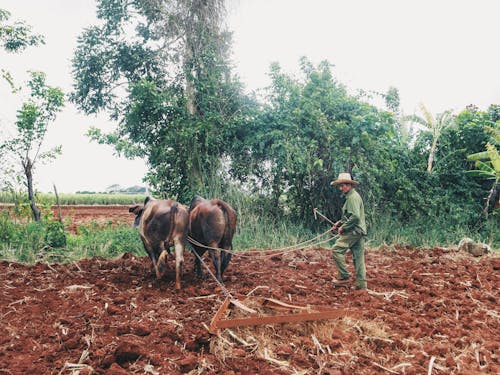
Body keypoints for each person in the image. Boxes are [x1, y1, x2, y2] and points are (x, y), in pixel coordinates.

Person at [330, 172, 367, 290]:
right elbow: (349, 216)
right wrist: (339, 223)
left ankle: (344, 277)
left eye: (343, 185)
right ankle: (361, 286)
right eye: (340, 186)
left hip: (354, 231)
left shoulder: (352, 198)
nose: (341, 188)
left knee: (336, 250)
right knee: (358, 259)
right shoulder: (352, 196)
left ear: (349, 185)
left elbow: (355, 217)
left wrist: (344, 227)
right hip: (359, 231)